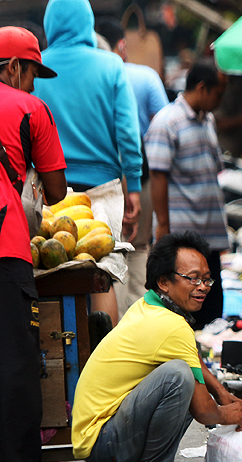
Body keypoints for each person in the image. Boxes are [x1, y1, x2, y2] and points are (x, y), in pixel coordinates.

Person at [71, 231, 242, 462]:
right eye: (192, 278)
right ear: (164, 282)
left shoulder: (149, 305)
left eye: (206, 279)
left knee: (186, 373)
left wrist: (223, 394)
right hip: (105, 445)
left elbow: (193, 358)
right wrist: (228, 414)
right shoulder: (171, 326)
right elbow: (204, 411)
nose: (202, 286)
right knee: (179, 376)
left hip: (101, 439)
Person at [0, 26, 68, 462]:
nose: (34, 84)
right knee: (11, 357)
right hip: (0, 245)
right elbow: (56, 190)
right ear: (14, 67)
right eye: (32, 72)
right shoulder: (31, 108)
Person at [34, 0, 144, 327]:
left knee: (54, 276)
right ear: (88, 22)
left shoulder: (37, 67)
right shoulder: (111, 65)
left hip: (50, 191)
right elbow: (128, 131)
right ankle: (102, 357)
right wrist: (134, 187)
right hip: (105, 188)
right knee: (102, 274)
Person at [146, 58, 229, 330]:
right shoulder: (168, 122)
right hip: (184, 237)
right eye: (218, 94)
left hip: (210, 236)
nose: (219, 100)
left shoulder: (208, 120)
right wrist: (163, 227)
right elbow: (158, 175)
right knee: (184, 311)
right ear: (203, 88)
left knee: (212, 309)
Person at [94, 18, 170, 318]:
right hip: (137, 174)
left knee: (112, 261)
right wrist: (135, 189)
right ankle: (141, 327)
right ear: (120, 45)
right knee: (137, 254)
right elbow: (158, 125)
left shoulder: (88, 74)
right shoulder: (137, 75)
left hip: (110, 180)